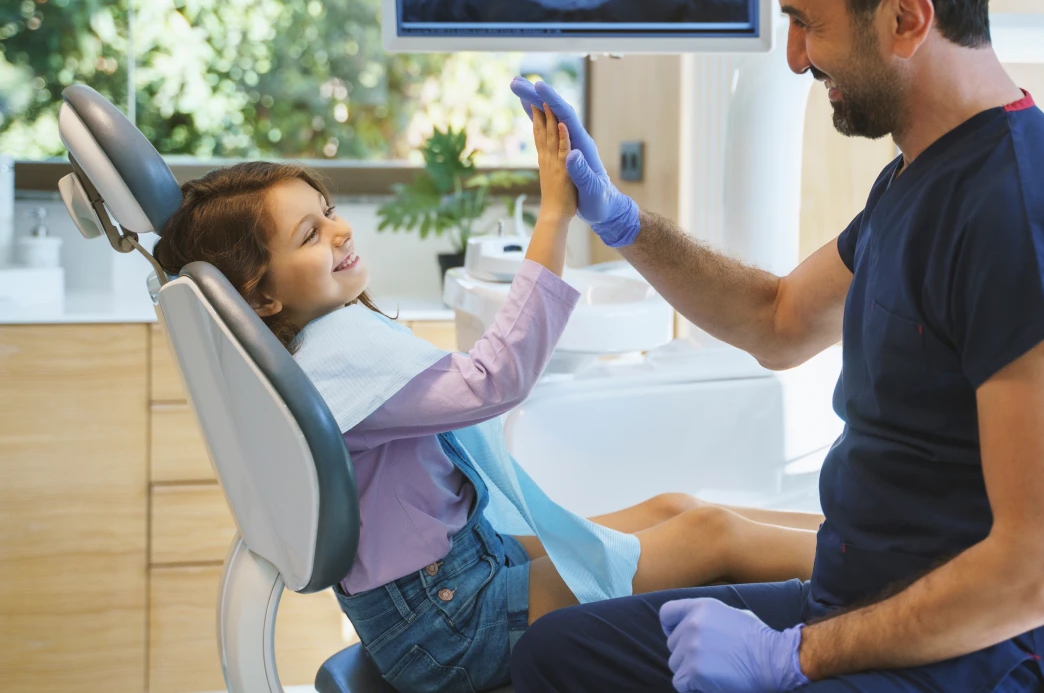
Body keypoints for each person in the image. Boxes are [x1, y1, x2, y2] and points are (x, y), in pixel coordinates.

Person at [508, 0, 1044, 693]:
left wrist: (790, 657)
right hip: (870, 605)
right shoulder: (917, 179)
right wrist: (622, 221)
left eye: (810, 22)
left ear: (907, 18)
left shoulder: (1024, 215)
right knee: (557, 656)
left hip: (998, 662)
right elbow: (776, 320)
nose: (796, 56)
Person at [151, 103, 825, 693]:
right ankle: (871, 568)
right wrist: (555, 212)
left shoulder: (320, 346)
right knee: (709, 536)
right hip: (448, 623)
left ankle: (853, 537)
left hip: (450, 586)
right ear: (261, 296)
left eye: (327, 214)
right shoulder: (335, 359)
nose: (340, 231)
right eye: (309, 235)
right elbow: (496, 378)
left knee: (677, 509)